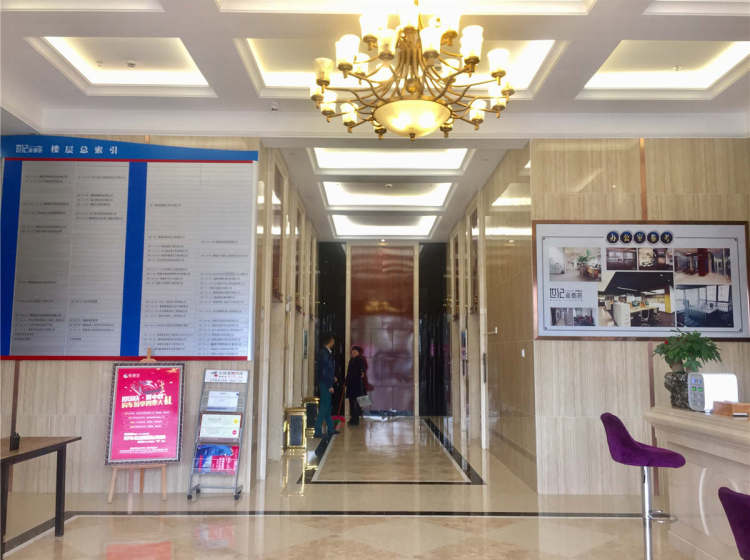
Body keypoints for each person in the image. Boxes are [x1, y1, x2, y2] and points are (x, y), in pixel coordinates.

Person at [314, 333, 338, 438]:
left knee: (327, 407)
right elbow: (324, 371)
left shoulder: (326, 352)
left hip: (325, 381)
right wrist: (329, 385)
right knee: (324, 407)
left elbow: (327, 370)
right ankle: (317, 431)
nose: (334, 342)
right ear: (330, 341)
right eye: (333, 340)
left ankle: (331, 429)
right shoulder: (324, 353)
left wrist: (332, 378)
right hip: (325, 383)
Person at [345, 345, 367, 426]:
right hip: (350, 384)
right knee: (351, 402)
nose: (353, 353)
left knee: (357, 403)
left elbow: (362, 369)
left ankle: (356, 419)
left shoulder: (360, 359)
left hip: (357, 384)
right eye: (352, 352)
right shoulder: (351, 360)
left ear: (358, 352)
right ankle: (352, 418)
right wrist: (346, 382)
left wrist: (362, 372)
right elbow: (348, 372)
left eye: (355, 352)